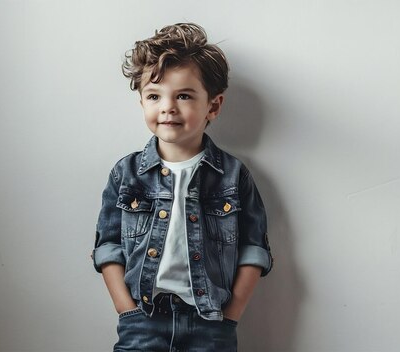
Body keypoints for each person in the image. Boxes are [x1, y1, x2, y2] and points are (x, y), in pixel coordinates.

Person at [92, 22, 273, 352]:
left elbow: (253, 249)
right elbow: (108, 246)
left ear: (213, 106)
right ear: (142, 101)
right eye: (154, 96)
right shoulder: (127, 173)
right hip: (144, 320)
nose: (168, 107)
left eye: (184, 96)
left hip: (211, 324)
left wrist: (230, 316)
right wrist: (126, 311)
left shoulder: (232, 175)